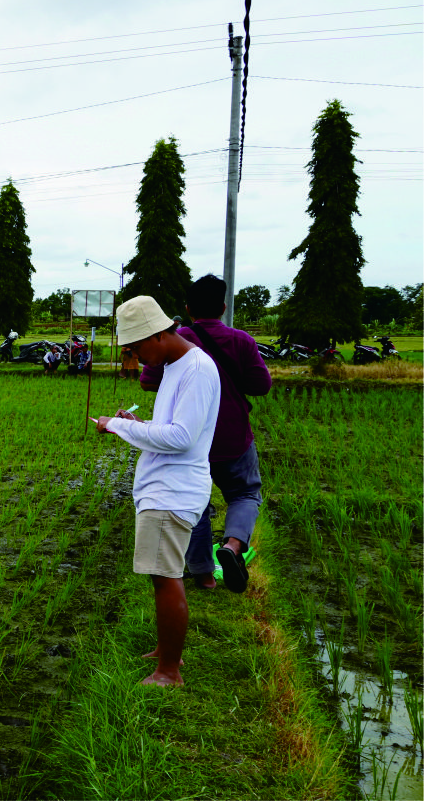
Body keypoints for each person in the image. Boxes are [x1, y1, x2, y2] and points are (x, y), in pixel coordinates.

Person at [93, 295, 220, 687]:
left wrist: (121, 427)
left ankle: (169, 671)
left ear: (158, 335)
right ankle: (166, 651)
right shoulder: (176, 365)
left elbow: (181, 437)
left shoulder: (196, 369)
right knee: (160, 574)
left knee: (166, 577)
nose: (135, 356)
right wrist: (138, 422)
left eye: (135, 348)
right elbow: (172, 426)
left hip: (172, 490)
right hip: (163, 487)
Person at [140, 274, 272, 593]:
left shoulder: (178, 338)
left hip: (191, 438)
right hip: (234, 437)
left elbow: (147, 379)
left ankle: (204, 575)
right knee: (244, 493)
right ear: (224, 307)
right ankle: (232, 547)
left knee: (194, 503)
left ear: (187, 308)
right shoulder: (242, 341)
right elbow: (261, 385)